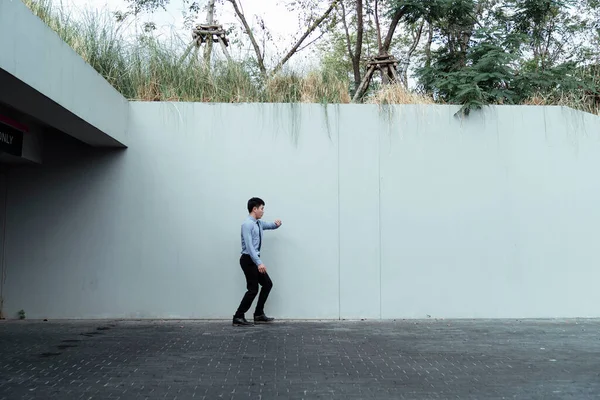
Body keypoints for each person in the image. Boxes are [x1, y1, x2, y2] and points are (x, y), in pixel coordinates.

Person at [233, 197, 282, 326]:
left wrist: (277, 224)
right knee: (253, 289)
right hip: (248, 260)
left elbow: (270, 225)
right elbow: (249, 247)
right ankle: (238, 316)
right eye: (261, 208)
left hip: (254, 259)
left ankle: (259, 314)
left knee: (267, 284)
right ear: (254, 209)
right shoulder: (247, 224)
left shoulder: (258, 223)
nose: (263, 211)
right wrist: (259, 262)